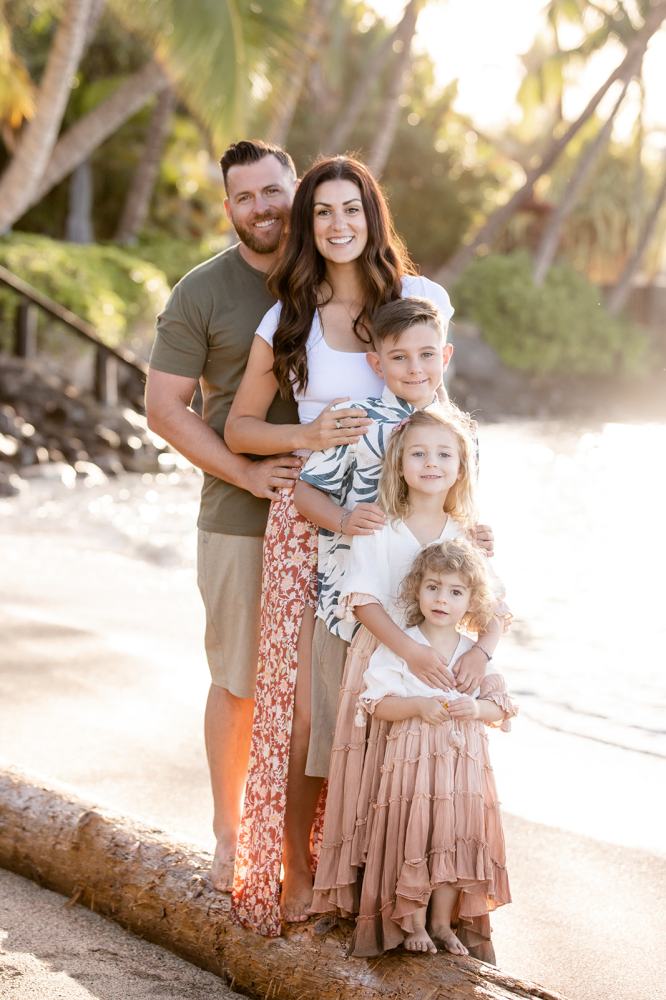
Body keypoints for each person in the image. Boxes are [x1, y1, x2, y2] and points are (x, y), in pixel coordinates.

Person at [224, 155, 454, 934]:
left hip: (401, 530)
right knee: (306, 713)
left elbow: (441, 421)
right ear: (306, 223)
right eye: (321, 212)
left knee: (378, 706)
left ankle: (364, 874)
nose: (337, 224)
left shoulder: (416, 301)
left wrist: (459, 520)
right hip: (313, 528)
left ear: (372, 213)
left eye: (350, 208)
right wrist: (309, 431)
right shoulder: (289, 314)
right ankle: (292, 872)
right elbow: (240, 427)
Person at [146, 139, 305, 893]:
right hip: (237, 519)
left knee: (315, 688)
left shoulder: (329, 271)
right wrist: (243, 471)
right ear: (229, 208)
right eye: (245, 197)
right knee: (239, 681)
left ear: (294, 187)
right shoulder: (202, 290)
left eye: (272, 190)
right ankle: (228, 835)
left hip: (335, 520)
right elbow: (162, 408)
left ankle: (310, 848)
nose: (262, 208)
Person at [310, 408, 509, 948]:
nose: (431, 463)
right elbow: (363, 600)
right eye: (419, 453)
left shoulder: (469, 534)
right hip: (388, 661)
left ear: (461, 467)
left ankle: (441, 912)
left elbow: (498, 607)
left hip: (445, 665)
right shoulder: (379, 524)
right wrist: (411, 651)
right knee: (381, 783)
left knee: (441, 790)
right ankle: (378, 900)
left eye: (445, 454)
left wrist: (481, 656)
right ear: (399, 464)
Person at [293, 296, 491, 782]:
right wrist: (343, 520)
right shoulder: (355, 417)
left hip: (429, 624)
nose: (414, 367)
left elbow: (457, 508)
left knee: (399, 756)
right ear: (376, 363)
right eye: (399, 357)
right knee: (330, 738)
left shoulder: (458, 431)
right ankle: (298, 859)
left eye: (426, 354)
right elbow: (302, 493)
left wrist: (478, 534)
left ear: (444, 357)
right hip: (354, 610)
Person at [350, 538, 516, 958]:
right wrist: (420, 706)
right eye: (433, 587)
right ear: (416, 589)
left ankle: (442, 923)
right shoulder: (403, 646)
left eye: (456, 592)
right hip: (413, 768)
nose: (442, 599)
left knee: (452, 840)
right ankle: (412, 922)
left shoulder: (470, 655)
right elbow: (377, 704)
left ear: (471, 602)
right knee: (417, 837)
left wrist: (473, 707)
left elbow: (501, 707)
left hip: (462, 773)